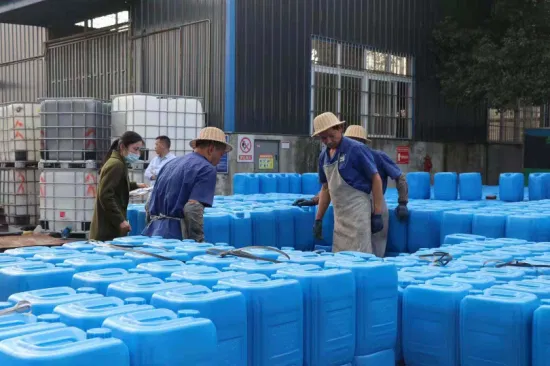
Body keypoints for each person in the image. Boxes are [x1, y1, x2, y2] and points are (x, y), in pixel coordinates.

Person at [295, 124, 409, 256]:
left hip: (374, 203)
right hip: (349, 210)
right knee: (346, 252)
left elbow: (399, 177)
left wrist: (402, 202)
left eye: (358, 141)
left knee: (373, 250)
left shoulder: (377, 156)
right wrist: (315, 200)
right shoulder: (335, 156)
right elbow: (334, 187)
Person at [310, 112, 385, 254]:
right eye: (324, 138)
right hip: (340, 218)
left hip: (358, 215)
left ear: (340, 129)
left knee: (359, 256)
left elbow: (376, 179)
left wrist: (377, 212)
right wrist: (319, 218)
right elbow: (326, 189)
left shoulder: (356, 149)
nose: (329, 141)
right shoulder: (323, 157)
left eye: (331, 135)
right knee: (340, 257)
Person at [142, 127, 232, 241]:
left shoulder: (170, 164)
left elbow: (149, 203)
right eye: (221, 154)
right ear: (211, 149)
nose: (220, 159)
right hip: (176, 238)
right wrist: (198, 242)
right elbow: (192, 208)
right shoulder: (206, 168)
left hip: (152, 233)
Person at [90, 131, 148, 241]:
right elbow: (106, 195)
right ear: (122, 146)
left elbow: (118, 185)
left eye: (139, 150)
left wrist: (136, 185)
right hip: (108, 226)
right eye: (135, 149)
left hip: (109, 223)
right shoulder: (116, 165)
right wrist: (120, 220)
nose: (138, 154)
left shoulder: (118, 162)